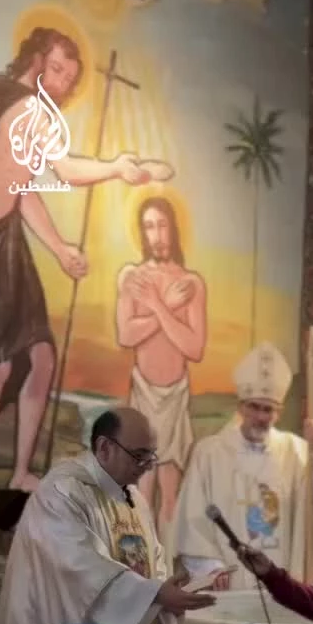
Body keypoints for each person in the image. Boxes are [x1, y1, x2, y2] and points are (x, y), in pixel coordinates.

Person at [0, 26, 162, 492]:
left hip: (3, 243)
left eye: (69, 79)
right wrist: (116, 168)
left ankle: (19, 472)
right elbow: (66, 169)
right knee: (0, 365)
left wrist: (58, 248)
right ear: (36, 61)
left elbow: (20, 188)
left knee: (40, 356)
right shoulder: (27, 108)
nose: (61, 85)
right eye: (57, 71)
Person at [0, 406, 215, 624]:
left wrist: (166, 590)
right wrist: (153, 594)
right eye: (138, 456)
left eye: (151, 457)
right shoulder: (62, 492)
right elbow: (79, 569)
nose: (145, 466)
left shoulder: (134, 498)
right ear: (104, 447)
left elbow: (153, 559)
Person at [171, 341, 313, 587]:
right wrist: (211, 568)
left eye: (268, 409)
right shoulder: (209, 454)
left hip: (281, 583)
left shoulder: (297, 453)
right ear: (241, 406)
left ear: (279, 412)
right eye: (254, 407)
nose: (261, 417)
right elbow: (192, 520)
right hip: (228, 585)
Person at [116, 197, 207, 531]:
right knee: (141, 492)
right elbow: (126, 334)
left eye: (162, 225)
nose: (156, 235)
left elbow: (194, 347)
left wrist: (157, 305)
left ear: (174, 228)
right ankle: (141, 561)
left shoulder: (191, 283)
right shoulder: (132, 277)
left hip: (176, 396)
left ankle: (166, 561)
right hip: (144, 394)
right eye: (149, 227)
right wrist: (163, 305)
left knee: (171, 497)